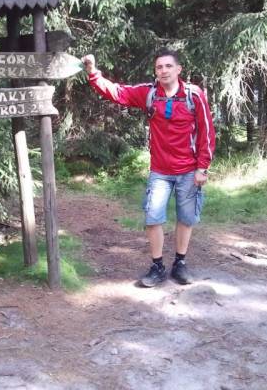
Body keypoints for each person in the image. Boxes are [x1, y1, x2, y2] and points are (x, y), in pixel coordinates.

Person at [82, 49, 215, 286]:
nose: (163, 71)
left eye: (168, 66)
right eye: (159, 67)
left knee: (186, 219)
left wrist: (202, 168)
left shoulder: (194, 95)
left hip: (188, 170)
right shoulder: (150, 93)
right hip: (160, 172)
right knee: (153, 218)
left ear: (178, 69)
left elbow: (207, 132)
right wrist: (93, 73)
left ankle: (180, 263)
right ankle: (157, 266)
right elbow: (118, 92)